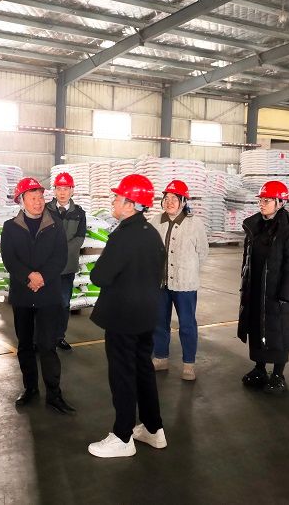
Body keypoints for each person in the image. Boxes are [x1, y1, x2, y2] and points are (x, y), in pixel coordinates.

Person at [88, 174, 167, 458]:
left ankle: (123, 437)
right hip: (145, 316)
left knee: (122, 375)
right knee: (143, 371)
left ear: (131, 204)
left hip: (122, 317)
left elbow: (99, 276)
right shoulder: (151, 233)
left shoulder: (124, 236)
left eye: (117, 197)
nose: (113, 201)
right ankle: (153, 429)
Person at [0, 177, 75, 415]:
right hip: (23, 295)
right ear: (21, 201)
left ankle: (54, 394)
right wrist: (28, 276)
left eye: (40, 197)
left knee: (47, 345)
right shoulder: (11, 227)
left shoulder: (55, 225)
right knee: (25, 345)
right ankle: (30, 388)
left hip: (48, 294)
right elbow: (9, 258)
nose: (38, 202)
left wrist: (41, 277)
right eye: (32, 198)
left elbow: (60, 257)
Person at [238, 180, 289, 395]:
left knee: (278, 332)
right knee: (257, 328)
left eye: (267, 200)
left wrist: (286, 294)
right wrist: (245, 282)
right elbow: (247, 258)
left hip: (277, 291)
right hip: (256, 288)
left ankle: (278, 375)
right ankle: (259, 369)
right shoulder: (255, 226)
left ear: (280, 203)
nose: (262, 204)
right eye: (261, 200)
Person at [151, 180, 208, 381]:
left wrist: (188, 269)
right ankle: (161, 358)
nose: (169, 202)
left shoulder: (194, 224)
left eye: (174, 198)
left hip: (185, 285)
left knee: (187, 324)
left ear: (183, 201)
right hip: (160, 283)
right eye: (166, 198)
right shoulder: (156, 221)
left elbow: (203, 252)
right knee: (159, 322)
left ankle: (189, 364)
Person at [46, 171, 87, 351]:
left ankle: (59, 337)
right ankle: (42, 337)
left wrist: (61, 252)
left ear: (72, 190)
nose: (62, 192)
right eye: (59, 188)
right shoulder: (45, 210)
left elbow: (79, 238)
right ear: (54, 190)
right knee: (45, 303)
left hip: (67, 267)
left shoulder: (79, 213)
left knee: (63, 304)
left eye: (66, 188)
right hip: (46, 267)